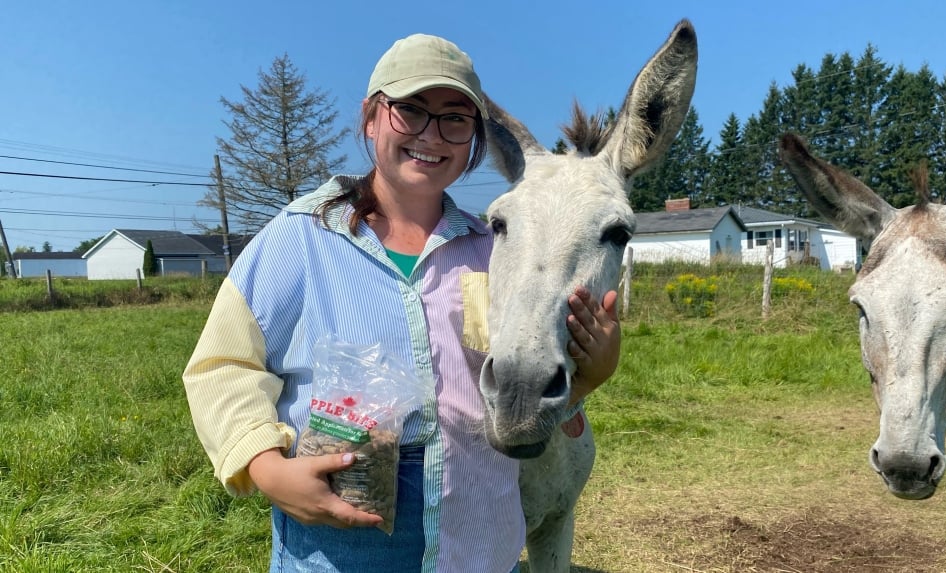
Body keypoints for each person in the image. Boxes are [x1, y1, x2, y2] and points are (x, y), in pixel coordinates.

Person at [182, 32, 620, 573]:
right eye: (409, 110)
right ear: (370, 118)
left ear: (475, 141)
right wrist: (268, 470)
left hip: (476, 536)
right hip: (338, 542)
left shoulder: (490, 250)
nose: (430, 135)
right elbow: (223, 365)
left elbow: (505, 377)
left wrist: (589, 377)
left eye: (455, 119)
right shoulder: (298, 238)